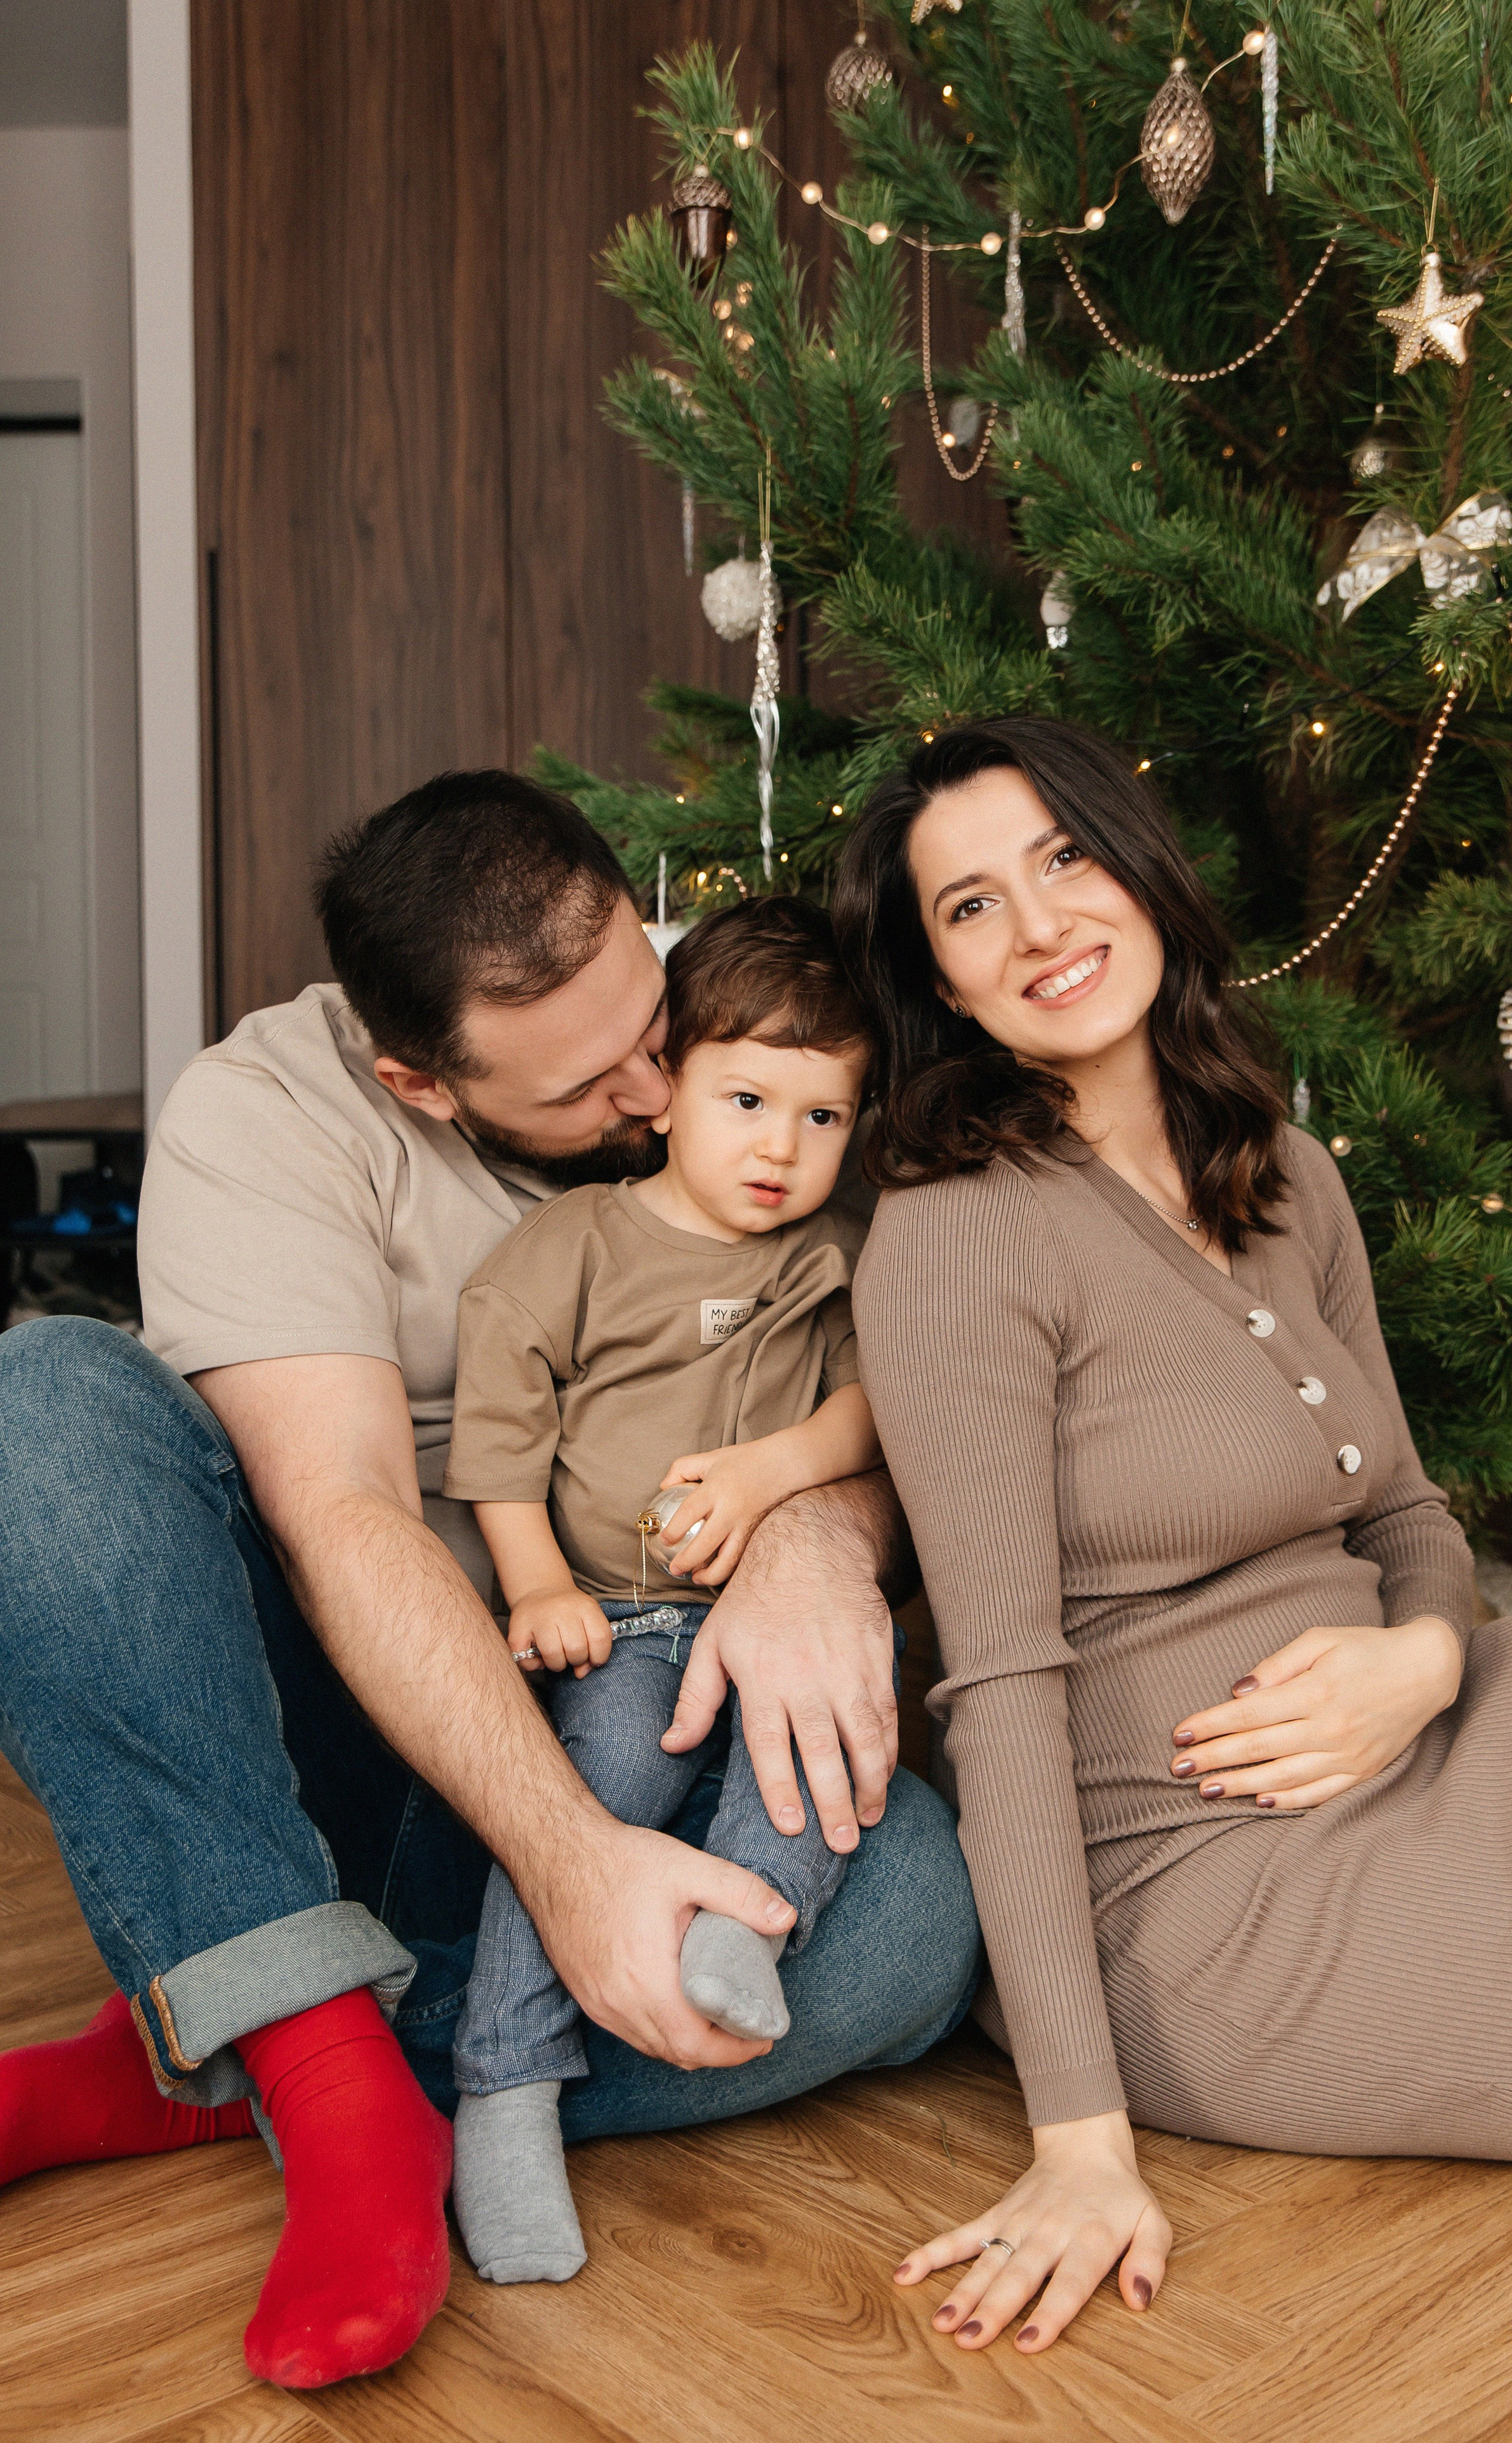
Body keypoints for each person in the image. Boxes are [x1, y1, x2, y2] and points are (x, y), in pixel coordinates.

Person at [0, 771, 979, 2393]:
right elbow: (351, 1514)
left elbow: (914, 1392)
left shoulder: (768, 1045)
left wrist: (820, 1529)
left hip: (658, 1696)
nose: (665, 1086)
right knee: (39, 1406)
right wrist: (572, 1860)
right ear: (423, 1084)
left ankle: (233, 2035)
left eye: (654, 1019)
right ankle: (325, 2070)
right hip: (349, 1743)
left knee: (915, 1924)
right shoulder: (275, 1114)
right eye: (597, 1084)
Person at [832, 716, 1512, 2359]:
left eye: (1063, 858)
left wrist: (1420, 1658)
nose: (1042, 923)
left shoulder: (1284, 1174)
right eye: (972, 907)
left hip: (1430, 1734)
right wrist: (1077, 2141)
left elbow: (1407, 1511)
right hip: (1209, 1886)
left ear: (1139, 864)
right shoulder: (957, 1239)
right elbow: (996, 1687)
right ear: (942, 985)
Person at [444, 896, 889, 2285]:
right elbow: (500, 1442)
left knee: (818, 1773)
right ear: (668, 1088)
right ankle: (503, 2085)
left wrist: (769, 1475)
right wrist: (532, 1591)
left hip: (766, 1619)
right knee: (614, 1771)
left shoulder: (830, 1260)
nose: (780, 1146)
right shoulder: (575, 1244)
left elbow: (878, 1411)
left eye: (822, 1118)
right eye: (748, 1098)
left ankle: (730, 1943)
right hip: (617, 1618)